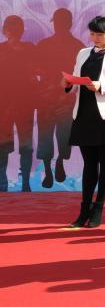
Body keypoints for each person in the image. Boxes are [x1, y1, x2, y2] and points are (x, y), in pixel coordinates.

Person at [62, 16, 105, 228]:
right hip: (84, 113)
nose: (95, 38)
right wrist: (68, 83)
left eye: (100, 34)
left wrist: (102, 86)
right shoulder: (83, 53)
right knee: (89, 164)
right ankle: (84, 209)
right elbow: (75, 81)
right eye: (92, 34)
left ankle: (98, 208)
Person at [35, 8, 84, 188]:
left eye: (57, 22)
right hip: (65, 97)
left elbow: (36, 69)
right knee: (63, 134)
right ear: (70, 23)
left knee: (46, 134)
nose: (56, 25)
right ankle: (58, 164)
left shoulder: (44, 44)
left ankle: (50, 169)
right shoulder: (78, 46)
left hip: (48, 97)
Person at [0, 16, 37, 192]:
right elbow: (37, 72)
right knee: (25, 145)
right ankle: (25, 184)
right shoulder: (29, 49)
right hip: (21, 103)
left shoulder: (2, 50)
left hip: (7, 104)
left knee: (5, 145)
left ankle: (3, 183)